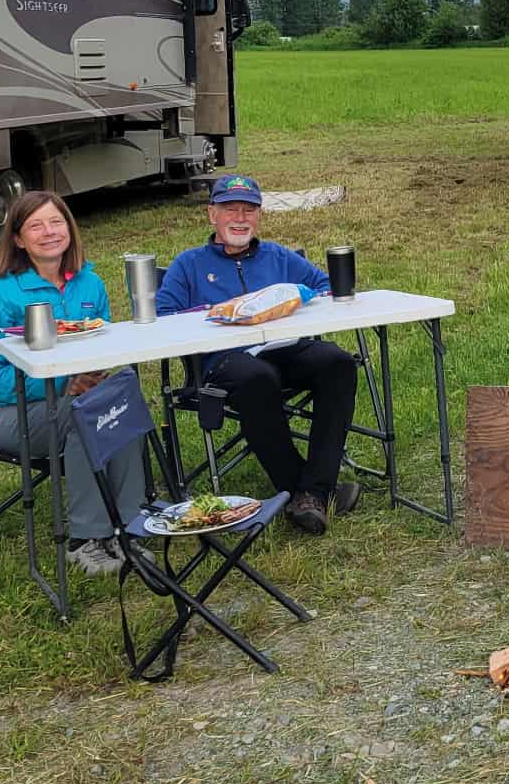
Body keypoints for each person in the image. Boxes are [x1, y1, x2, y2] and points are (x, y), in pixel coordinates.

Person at [155, 174, 361, 535]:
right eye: (230, 209)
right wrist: (214, 315)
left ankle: (310, 492)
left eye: (248, 210)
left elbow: (324, 288)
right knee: (257, 379)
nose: (240, 218)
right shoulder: (188, 264)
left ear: (259, 215)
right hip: (223, 360)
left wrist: (293, 301)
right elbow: (164, 316)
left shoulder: (278, 256)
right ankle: (309, 491)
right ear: (211, 215)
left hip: (284, 348)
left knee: (338, 364)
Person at [0, 190, 148, 578]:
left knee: (123, 401)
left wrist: (100, 371)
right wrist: (65, 384)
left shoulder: (89, 284)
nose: (49, 232)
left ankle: (130, 524)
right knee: (86, 413)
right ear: (17, 238)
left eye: (56, 221)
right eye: (35, 225)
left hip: (73, 402)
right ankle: (86, 537)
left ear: (70, 228)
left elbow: (104, 345)